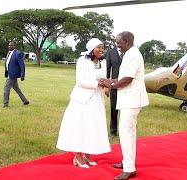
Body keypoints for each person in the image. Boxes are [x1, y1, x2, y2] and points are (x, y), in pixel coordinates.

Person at [101, 31, 149, 180]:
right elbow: (123, 77)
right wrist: (111, 80)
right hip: (129, 99)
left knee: (126, 133)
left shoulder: (133, 55)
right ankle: (127, 162)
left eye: (119, 42)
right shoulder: (129, 53)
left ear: (127, 41)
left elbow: (127, 79)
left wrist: (111, 84)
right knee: (129, 133)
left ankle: (129, 169)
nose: (117, 45)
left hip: (132, 100)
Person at [56, 38, 111, 168]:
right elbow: (80, 81)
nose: (101, 50)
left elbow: (103, 78)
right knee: (80, 127)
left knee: (93, 127)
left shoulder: (103, 62)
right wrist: (98, 83)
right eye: (99, 47)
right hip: (82, 100)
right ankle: (78, 156)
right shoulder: (82, 60)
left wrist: (107, 85)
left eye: (102, 47)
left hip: (97, 99)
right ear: (92, 49)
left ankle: (88, 155)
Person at [106, 35, 123, 137]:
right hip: (114, 85)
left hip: (126, 85)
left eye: (120, 41)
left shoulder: (129, 53)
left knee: (125, 109)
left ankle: (123, 130)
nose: (118, 43)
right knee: (113, 108)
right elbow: (107, 69)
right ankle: (113, 130)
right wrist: (107, 86)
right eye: (117, 41)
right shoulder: (111, 52)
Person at [3, 42, 29, 108]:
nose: (9, 46)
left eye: (11, 45)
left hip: (13, 75)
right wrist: (6, 72)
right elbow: (7, 62)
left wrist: (22, 75)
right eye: (9, 45)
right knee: (16, 88)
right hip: (9, 73)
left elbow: (22, 65)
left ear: (14, 46)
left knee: (6, 88)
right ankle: (25, 100)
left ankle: (5, 104)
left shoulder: (18, 53)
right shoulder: (9, 53)